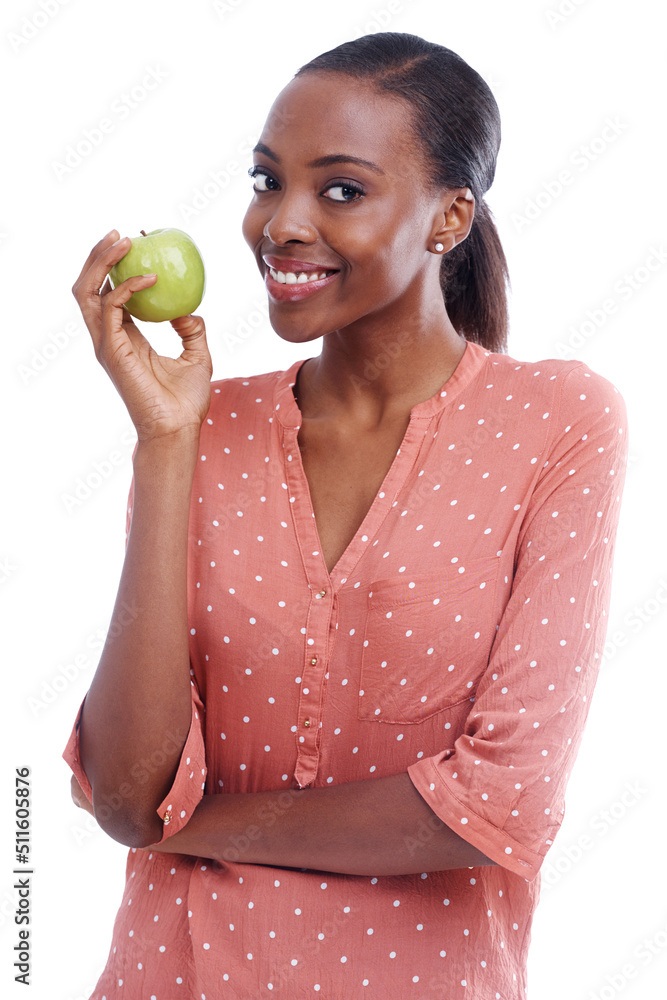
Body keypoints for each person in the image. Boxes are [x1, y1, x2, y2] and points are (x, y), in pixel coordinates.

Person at [64, 31, 629, 1000]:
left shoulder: (557, 420)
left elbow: (501, 805)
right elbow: (127, 791)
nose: (280, 222)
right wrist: (165, 443)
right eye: (265, 179)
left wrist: (196, 825)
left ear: (449, 215)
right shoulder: (205, 423)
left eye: (340, 189)